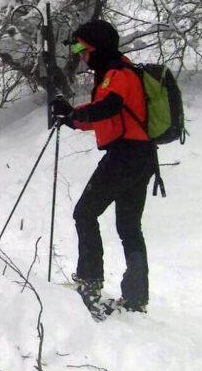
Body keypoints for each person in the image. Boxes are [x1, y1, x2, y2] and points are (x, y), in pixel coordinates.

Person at [49, 19, 156, 314]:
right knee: (129, 227)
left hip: (125, 157)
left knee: (84, 213)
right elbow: (107, 116)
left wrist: (74, 113)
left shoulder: (117, 74)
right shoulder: (121, 70)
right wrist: (71, 118)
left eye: (83, 48)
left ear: (96, 48)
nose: (81, 55)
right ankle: (135, 298)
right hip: (141, 156)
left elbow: (109, 107)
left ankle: (89, 283)